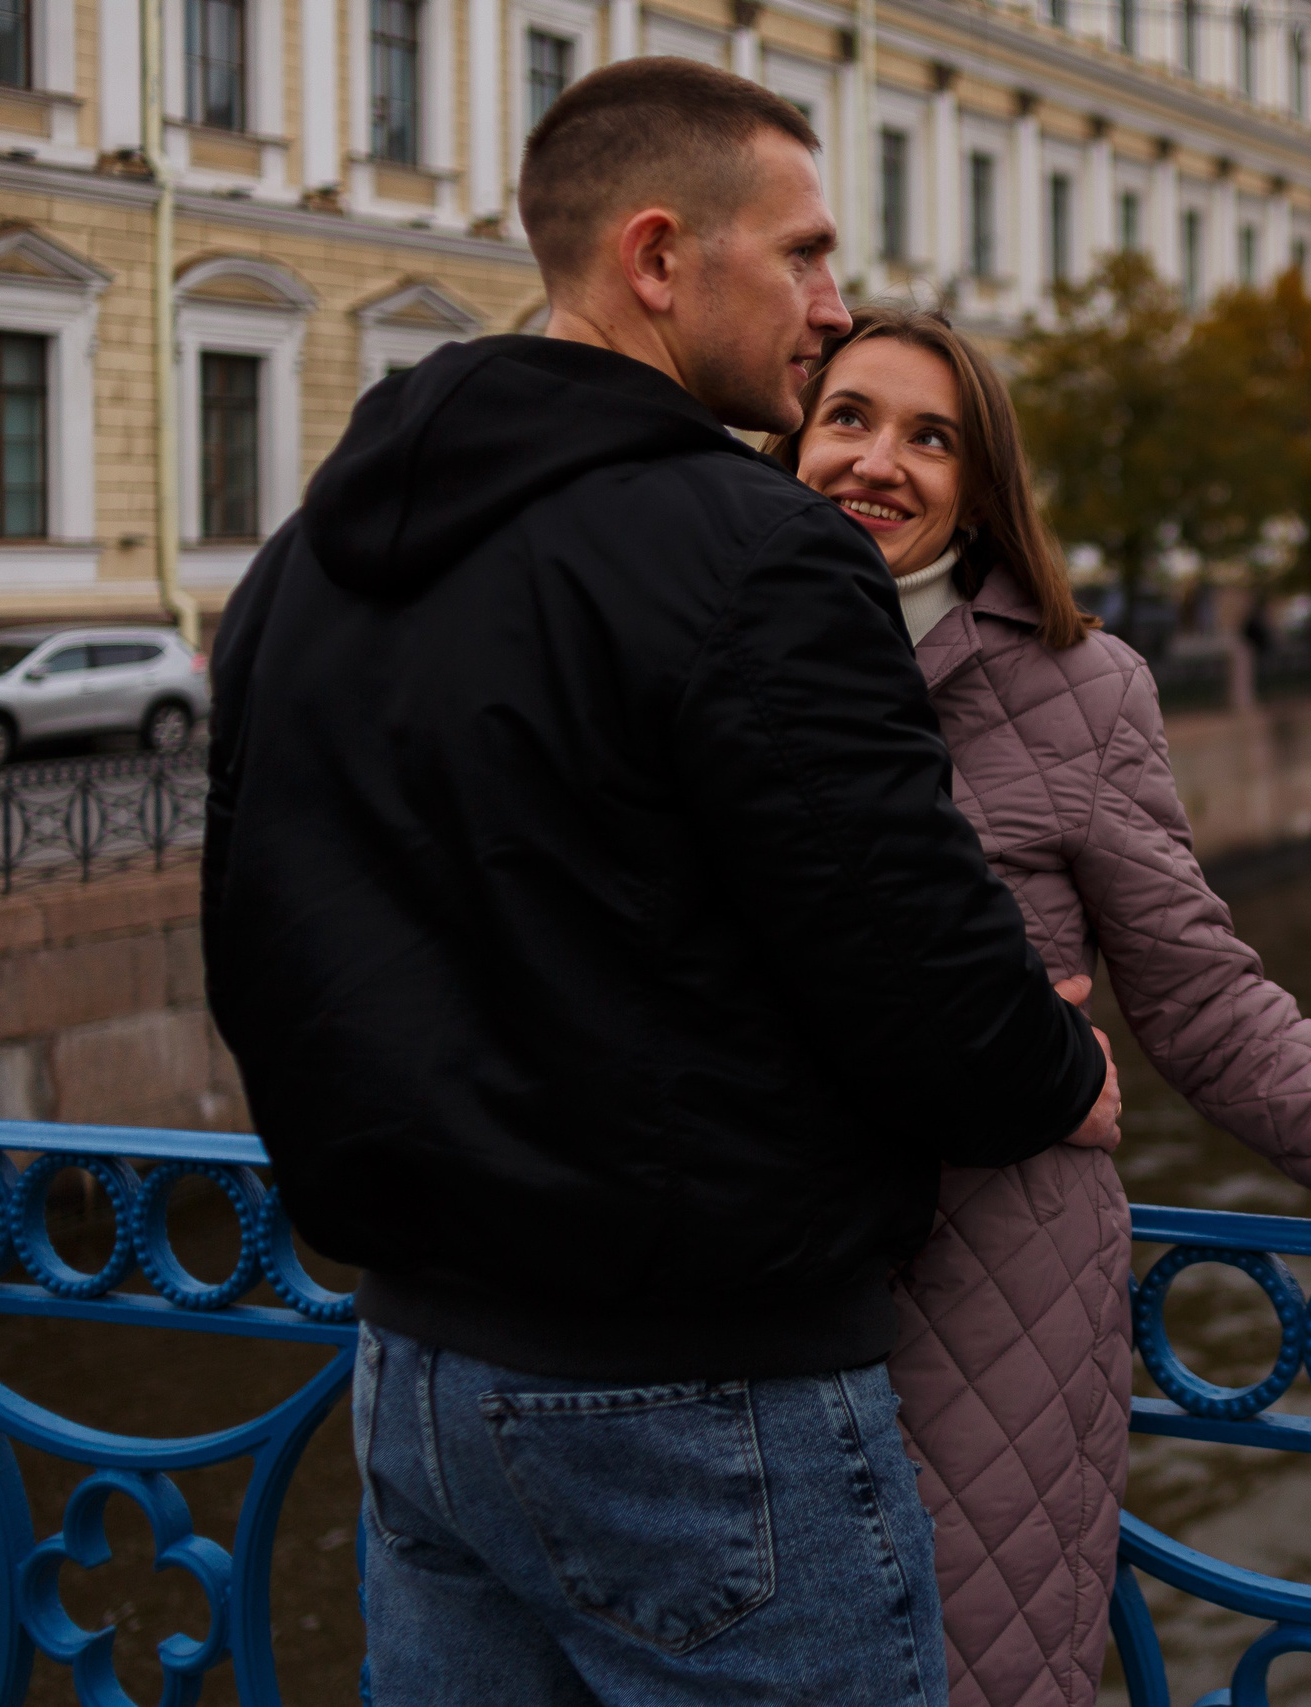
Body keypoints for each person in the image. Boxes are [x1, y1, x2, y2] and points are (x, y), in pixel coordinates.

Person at [204, 62, 1123, 1707]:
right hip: (702, 1399)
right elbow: (920, 975)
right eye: (805, 254)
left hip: (415, 1368)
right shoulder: (755, 548)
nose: (833, 306)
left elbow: (260, 942)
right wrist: (1058, 1065)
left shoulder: (302, 562)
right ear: (656, 257)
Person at [772, 304, 1311, 1707]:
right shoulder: (711, 646)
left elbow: (1203, 996)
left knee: (976, 1673)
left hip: (992, 1282)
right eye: (849, 418)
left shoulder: (1079, 685)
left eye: (932, 437)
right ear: (791, 438)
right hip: (753, 1256)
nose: (879, 460)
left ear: (981, 488)